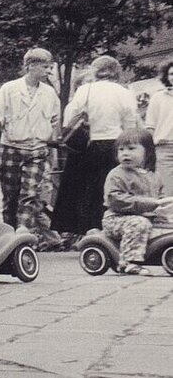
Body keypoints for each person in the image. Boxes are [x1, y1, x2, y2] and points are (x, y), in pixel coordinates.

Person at [52, 55, 140, 238]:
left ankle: (85, 231)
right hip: (115, 145)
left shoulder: (85, 90)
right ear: (116, 72)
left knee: (85, 190)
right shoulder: (124, 92)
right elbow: (130, 125)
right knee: (110, 188)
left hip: (87, 145)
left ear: (95, 71)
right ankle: (110, 229)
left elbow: (70, 118)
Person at [0, 48, 62, 250]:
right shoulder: (9, 89)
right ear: (31, 66)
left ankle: (23, 234)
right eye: (45, 66)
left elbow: (54, 125)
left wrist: (52, 153)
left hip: (37, 149)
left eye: (50, 67)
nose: (48, 71)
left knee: (29, 194)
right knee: (10, 196)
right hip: (11, 147)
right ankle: (7, 238)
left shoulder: (50, 94)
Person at [102, 128, 173, 275]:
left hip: (147, 216)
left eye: (131, 149)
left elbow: (160, 198)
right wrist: (150, 204)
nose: (125, 153)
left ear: (147, 152)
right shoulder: (117, 175)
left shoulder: (154, 175)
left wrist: (163, 207)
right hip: (117, 218)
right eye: (121, 149)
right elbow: (114, 199)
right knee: (139, 224)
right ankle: (129, 262)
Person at [146, 61, 173, 194]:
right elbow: (150, 127)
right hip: (164, 150)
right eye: (172, 74)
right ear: (167, 77)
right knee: (167, 191)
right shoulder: (157, 98)